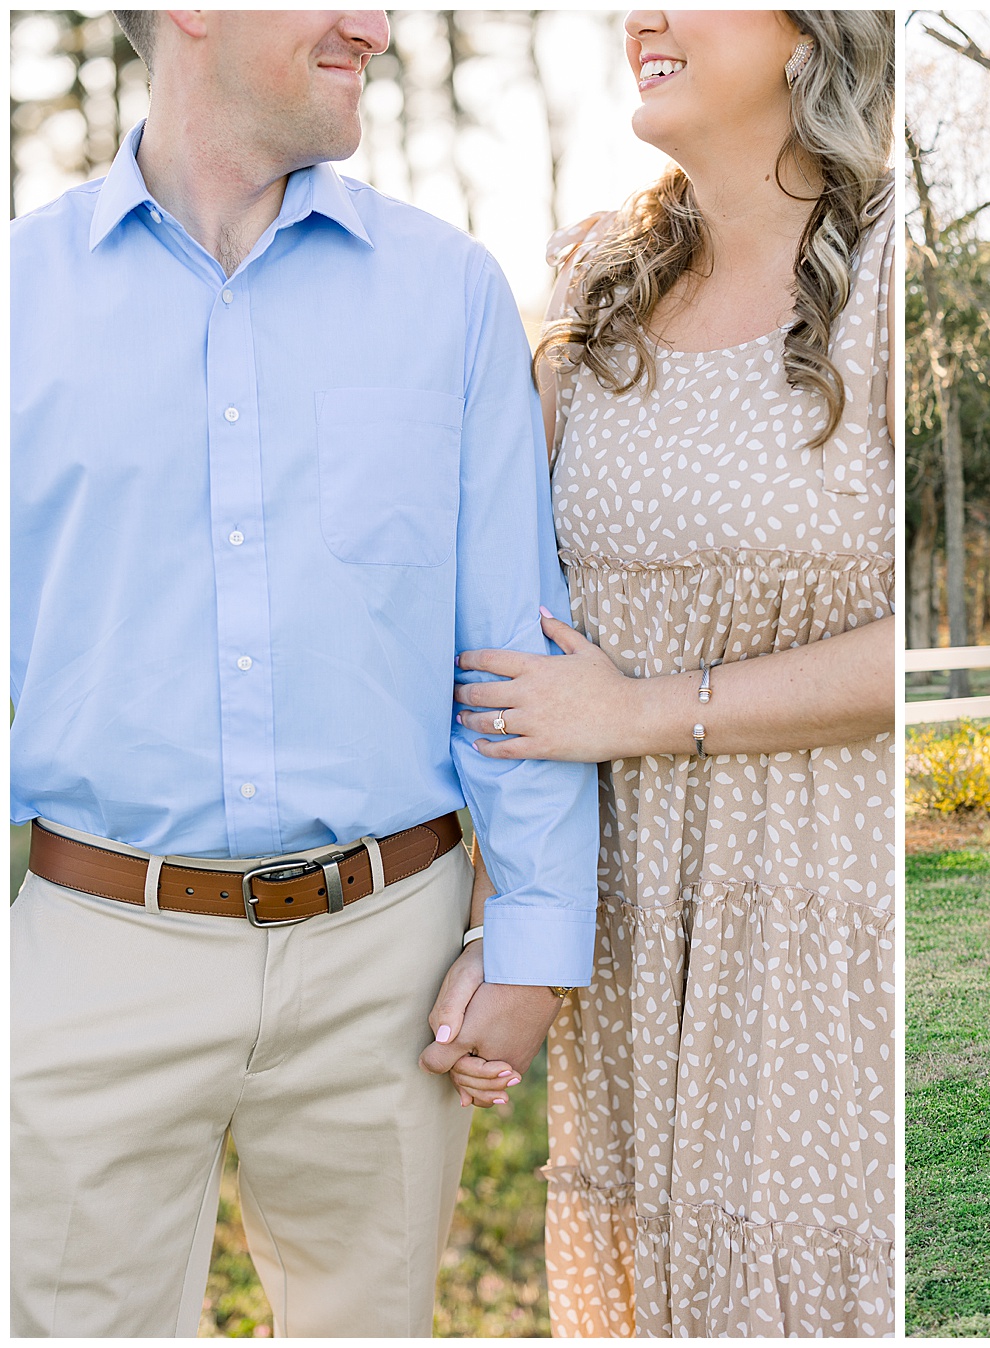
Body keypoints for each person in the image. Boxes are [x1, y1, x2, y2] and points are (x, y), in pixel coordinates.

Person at [10, 10, 598, 1336]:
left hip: (388, 967)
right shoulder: (14, 300)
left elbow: (512, 640)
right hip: (88, 952)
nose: (378, 27)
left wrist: (534, 939)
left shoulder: (445, 290)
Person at [438, 10, 897, 1336]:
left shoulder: (888, 284)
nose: (641, 12)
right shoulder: (596, 291)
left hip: (821, 910)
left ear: (813, 33)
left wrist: (646, 712)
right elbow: (512, 634)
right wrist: (502, 920)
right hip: (637, 922)